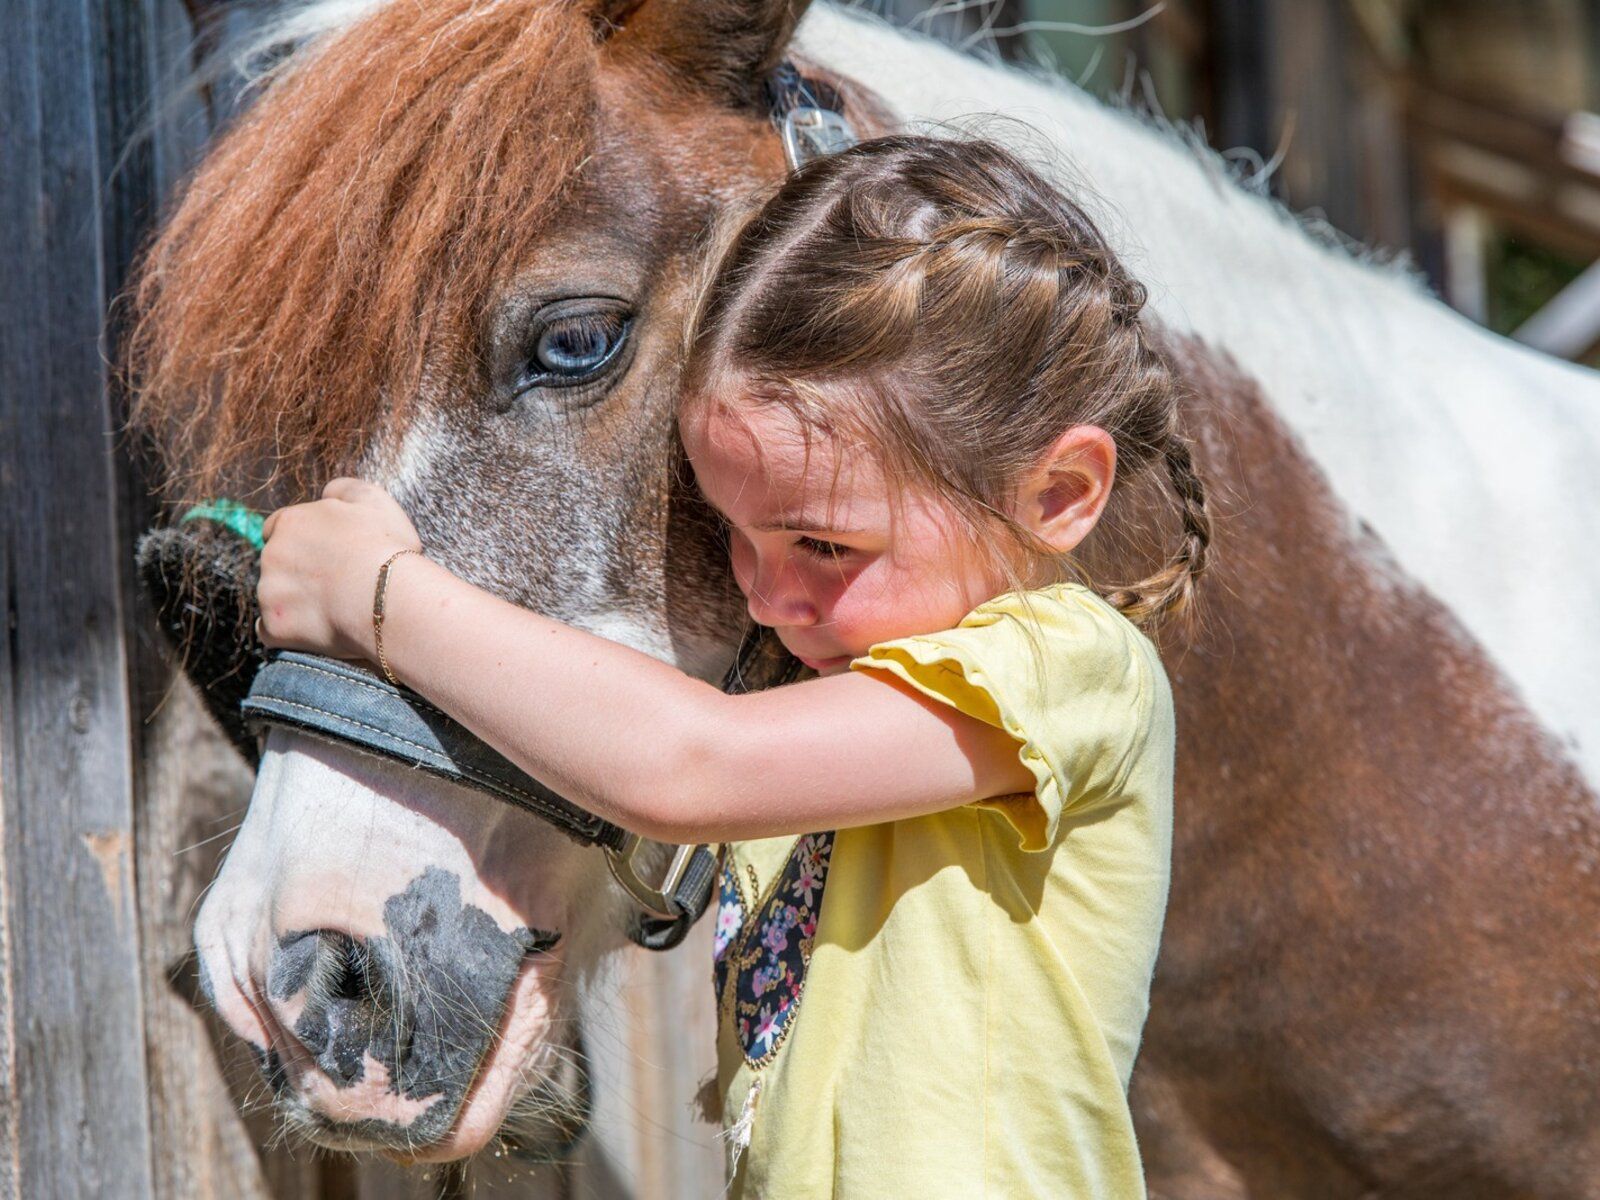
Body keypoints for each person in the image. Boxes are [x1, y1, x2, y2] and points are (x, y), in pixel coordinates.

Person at [256, 134, 1212, 1199]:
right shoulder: (845, 693)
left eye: (824, 546)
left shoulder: (1068, 668)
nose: (763, 594)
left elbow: (686, 765)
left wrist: (379, 596)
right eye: (734, 536)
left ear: (1057, 495)